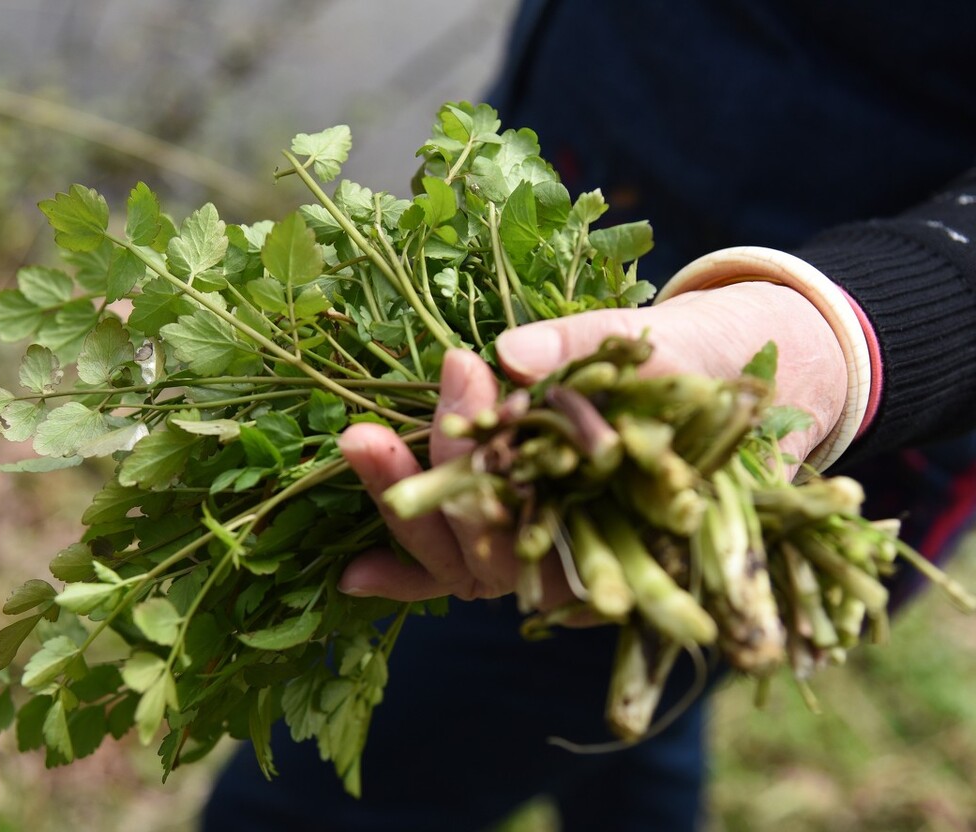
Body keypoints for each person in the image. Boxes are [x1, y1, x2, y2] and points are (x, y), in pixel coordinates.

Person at [203, 2, 976, 829]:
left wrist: (836, 335)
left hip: (842, 372)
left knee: (288, 813)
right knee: (629, 711)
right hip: (560, 194)